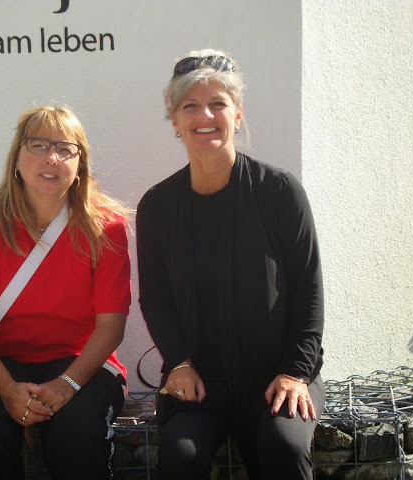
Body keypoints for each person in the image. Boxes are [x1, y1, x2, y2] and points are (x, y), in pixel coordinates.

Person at [136, 49, 325, 480]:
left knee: (283, 446)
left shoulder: (280, 192)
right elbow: (155, 298)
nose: (205, 115)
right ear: (174, 120)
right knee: (181, 455)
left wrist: (295, 373)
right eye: (190, 105)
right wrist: (179, 363)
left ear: (237, 114)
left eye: (218, 103)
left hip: (278, 376)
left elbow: (309, 290)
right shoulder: (158, 206)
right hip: (200, 381)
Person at [0, 105, 131, 479]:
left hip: (79, 362)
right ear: (16, 158)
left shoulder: (106, 227)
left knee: (79, 436)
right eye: (38, 145)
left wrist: (67, 385)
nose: (52, 158)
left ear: (80, 164)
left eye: (65, 149)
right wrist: (7, 390)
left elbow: (111, 325)